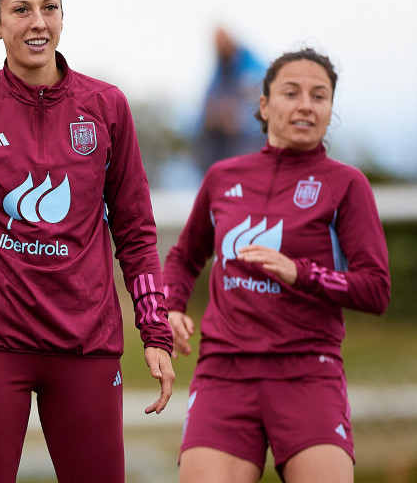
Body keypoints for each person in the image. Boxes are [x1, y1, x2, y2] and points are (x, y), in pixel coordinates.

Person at [0, 0, 174, 483]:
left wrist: (154, 331)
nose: (38, 23)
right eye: (21, 10)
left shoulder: (106, 107)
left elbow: (134, 230)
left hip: (85, 343)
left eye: (50, 8)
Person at [163, 48, 390, 483]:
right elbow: (184, 257)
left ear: (329, 110)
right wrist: (171, 306)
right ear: (265, 106)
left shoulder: (346, 184)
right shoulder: (222, 178)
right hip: (224, 373)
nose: (306, 104)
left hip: (308, 372)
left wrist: (299, 272)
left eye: (319, 95)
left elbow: (375, 289)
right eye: (292, 92)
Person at [195, 27, 266, 171]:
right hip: (220, 149)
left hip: (250, 149)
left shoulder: (254, 70)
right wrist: (213, 118)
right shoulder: (219, 73)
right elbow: (200, 116)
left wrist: (237, 120)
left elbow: (264, 117)